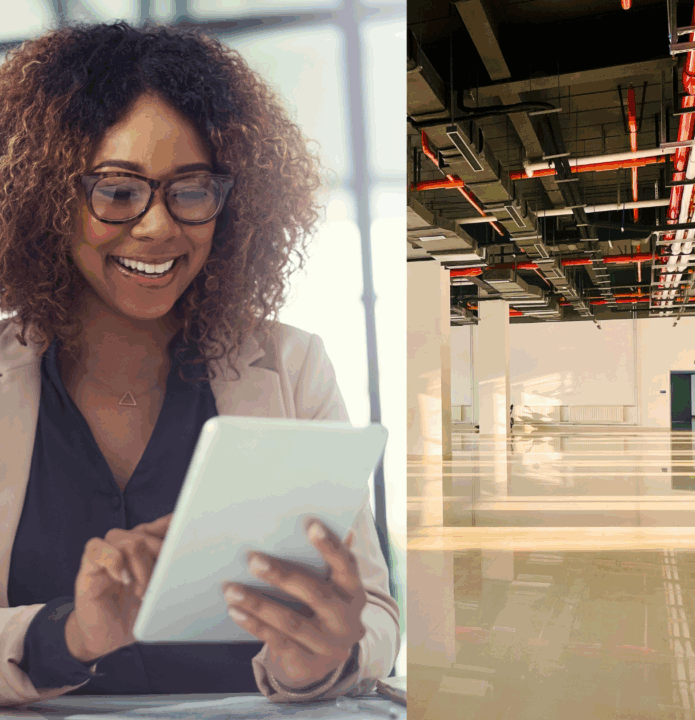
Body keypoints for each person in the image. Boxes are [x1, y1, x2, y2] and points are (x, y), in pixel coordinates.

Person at [0, 23, 398, 706]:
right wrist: (69, 635)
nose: (157, 228)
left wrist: (323, 658)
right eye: (118, 190)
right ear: (46, 200)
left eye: (190, 190)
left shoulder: (292, 366)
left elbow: (376, 618)